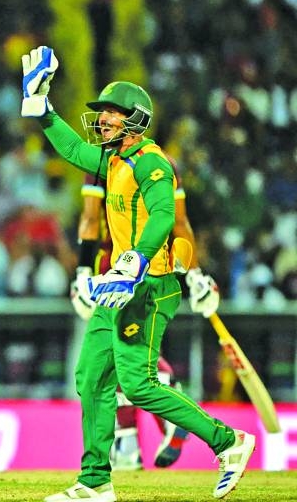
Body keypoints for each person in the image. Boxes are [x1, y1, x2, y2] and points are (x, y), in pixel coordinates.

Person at [21, 46, 254, 502]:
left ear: (135, 119)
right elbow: (72, 148)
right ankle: (94, 480)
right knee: (91, 377)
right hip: (121, 283)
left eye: (111, 113)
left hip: (150, 287)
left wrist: (137, 259)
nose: (103, 120)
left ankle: (228, 442)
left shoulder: (152, 161)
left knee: (140, 384)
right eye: (101, 112)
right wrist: (42, 110)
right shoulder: (112, 160)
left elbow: (166, 216)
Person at [71, 170, 222, 470]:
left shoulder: (102, 164)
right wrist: (195, 275)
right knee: (130, 349)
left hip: (114, 267)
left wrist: (82, 274)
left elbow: (90, 221)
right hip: (157, 269)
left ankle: (138, 433)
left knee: (113, 355)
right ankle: (130, 439)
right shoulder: (163, 165)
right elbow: (179, 224)